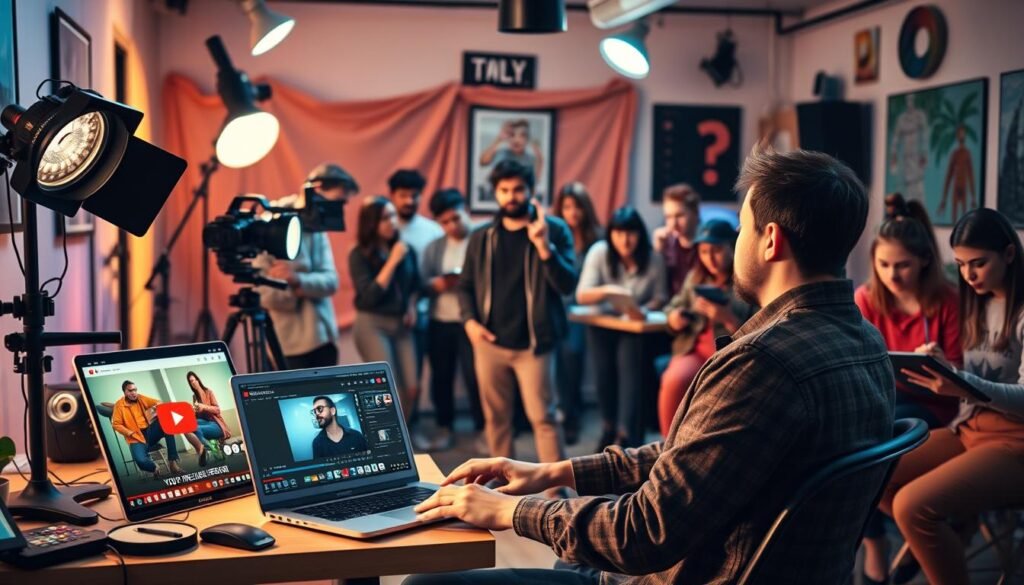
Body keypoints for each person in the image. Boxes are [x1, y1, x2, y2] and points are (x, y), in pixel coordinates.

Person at [406, 149, 894, 585]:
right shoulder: (867, 343)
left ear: (770, 240)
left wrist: (511, 511)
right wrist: (555, 470)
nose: (737, 241)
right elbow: (693, 457)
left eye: (742, 228)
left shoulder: (762, 363)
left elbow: (642, 533)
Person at [876, 208, 1024, 585]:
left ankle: (944, 537)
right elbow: (977, 377)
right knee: (870, 473)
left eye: (978, 263)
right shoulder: (979, 303)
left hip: (1015, 441)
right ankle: (953, 530)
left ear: (1009, 254)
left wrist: (962, 384)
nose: (968, 275)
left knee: (912, 506)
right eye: (959, 264)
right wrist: (944, 367)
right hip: (970, 428)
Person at [855, 194, 962, 585]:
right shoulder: (867, 299)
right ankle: (878, 543)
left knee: (869, 450)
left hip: (936, 404)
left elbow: (963, 376)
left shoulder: (946, 301)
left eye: (902, 265)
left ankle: (902, 537)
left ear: (924, 262)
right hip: (884, 398)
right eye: (883, 265)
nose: (892, 275)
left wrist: (942, 362)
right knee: (852, 440)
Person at [457, 159, 576, 464]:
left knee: (544, 418)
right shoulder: (482, 236)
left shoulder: (554, 229)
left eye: (518, 190)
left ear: (531, 191)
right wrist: (469, 321)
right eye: (504, 190)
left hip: (534, 344)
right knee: (496, 420)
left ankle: (556, 491)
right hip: (489, 342)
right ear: (496, 194)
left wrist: (544, 247)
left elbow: (567, 285)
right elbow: (465, 285)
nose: (512, 196)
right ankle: (502, 487)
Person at [575, 206, 667, 449]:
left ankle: (627, 435)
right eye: (618, 233)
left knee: (630, 375)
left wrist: (642, 309)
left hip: (635, 329)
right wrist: (609, 292)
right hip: (603, 324)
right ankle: (608, 427)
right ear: (610, 234)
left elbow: (661, 296)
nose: (624, 240)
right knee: (604, 376)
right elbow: (582, 295)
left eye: (631, 234)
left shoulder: (653, 258)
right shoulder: (600, 252)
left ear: (640, 234)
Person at [658, 219, 755, 437]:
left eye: (717, 250)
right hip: (692, 348)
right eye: (703, 251)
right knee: (675, 380)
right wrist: (674, 319)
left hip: (726, 354)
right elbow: (671, 309)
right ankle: (666, 446)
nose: (709, 258)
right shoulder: (696, 277)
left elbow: (758, 333)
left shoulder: (747, 282)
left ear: (732, 247)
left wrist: (728, 318)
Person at [255, 163, 357, 369]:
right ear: (317, 189)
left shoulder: (317, 228)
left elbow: (331, 282)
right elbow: (263, 294)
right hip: (287, 344)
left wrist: (297, 280)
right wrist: (299, 289)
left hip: (324, 338)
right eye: (337, 202)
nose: (339, 211)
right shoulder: (269, 224)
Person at [420, 188, 484, 451]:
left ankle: (484, 428)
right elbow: (422, 283)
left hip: (473, 322)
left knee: (476, 377)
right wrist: (436, 284)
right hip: (441, 319)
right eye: (444, 222)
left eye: (456, 218)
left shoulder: (482, 239)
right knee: (441, 377)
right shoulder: (435, 247)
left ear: (466, 210)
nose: (451, 226)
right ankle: (444, 427)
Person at [348, 197, 421, 422]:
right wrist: (392, 262)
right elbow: (369, 295)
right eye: (385, 218)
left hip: (401, 324)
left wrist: (411, 306)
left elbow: (415, 285)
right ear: (371, 224)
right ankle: (388, 442)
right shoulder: (358, 254)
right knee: (390, 390)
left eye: (393, 216)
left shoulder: (406, 249)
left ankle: (404, 436)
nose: (392, 222)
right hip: (372, 324)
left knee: (412, 387)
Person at [551, 182, 603, 446]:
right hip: (557, 308)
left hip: (586, 312)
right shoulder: (555, 236)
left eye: (577, 207)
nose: (572, 212)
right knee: (559, 360)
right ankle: (566, 412)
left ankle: (572, 417)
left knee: (572, 355)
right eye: (567, 207)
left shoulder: (598, 238)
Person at [111, 381, 185, 478]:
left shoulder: (141, 398)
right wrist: (130, 433)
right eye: (130, 390)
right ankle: (154, 467)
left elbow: (158, 402)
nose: (134, 393)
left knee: (167, 423)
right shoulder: (119, 405)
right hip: (136, 438)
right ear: (124, 392)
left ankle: (172, 463)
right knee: (140, 461)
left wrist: (155, 407)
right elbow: (116, 424)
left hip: (150, 432)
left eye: (135, 390)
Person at [653, 183, 702, 296]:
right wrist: (657, 252)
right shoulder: (665, 243)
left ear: (695, 213)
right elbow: (657, 289)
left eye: (679, 215)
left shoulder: (707, 245)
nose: (673, 223)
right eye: (668, 217)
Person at [478, 119, 544, 201]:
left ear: (527, 139)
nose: (516, 140)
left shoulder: (531, 159)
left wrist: (539, 157)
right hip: (492, 195)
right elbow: (482, 161)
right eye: (512, 135)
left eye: (522, 135)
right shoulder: (500, 153)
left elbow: (534, 183)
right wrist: (498, 139)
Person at [180, 371, 233, 467]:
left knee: (197, 429)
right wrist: (193, 412)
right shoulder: (194, 397)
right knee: (187, 425)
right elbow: (199, 417)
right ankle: (204, 448)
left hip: (216, 424)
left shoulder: (208, 392)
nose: (193, 383)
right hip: (206, 422)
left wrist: (203, 406)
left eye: (194, 380)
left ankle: (208, 449)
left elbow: (217, 410)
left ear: (198, 380)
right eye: (190, 382)